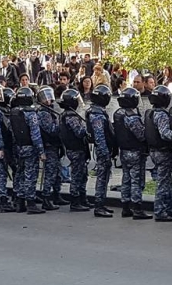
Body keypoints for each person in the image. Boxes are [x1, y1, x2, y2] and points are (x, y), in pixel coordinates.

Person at [114, 87, 152, 220]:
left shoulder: (118, 114)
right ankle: (137, 208)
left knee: (126, 179)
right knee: (136, 180)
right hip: (135, 152)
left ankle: (125, 207)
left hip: (124, 151)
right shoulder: (132, 117)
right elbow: (141, 135)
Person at [8, 87, 45, 213]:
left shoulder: (13, 112)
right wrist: (41, 151)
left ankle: (19, 202)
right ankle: (30, 203)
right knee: (30, 174)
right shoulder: (31, 113)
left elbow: (11, 131)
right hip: (30, 147)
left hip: (18, 147)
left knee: (20, 173)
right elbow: (35, 134)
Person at [58, 90, 93, 213]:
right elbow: (79, 132)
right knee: (77, 176)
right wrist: (88, 129)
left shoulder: (65, 114)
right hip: (76, 149)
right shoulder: (71, 116)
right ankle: (75, 201)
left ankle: (82, 199)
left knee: (82, 175)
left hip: (75, 149)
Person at [86, 85, 116, 218]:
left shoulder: (98, 111)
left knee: (104, 178)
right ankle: (98, 206)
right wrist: (105, 154)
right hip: (103, 150)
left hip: (105, 149)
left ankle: (101, 204)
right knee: (102, 178)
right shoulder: (96, 114)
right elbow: (99, 137)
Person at [35, 87, 63, 210]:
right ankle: (46, 198)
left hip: (54, 145)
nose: (48, 100)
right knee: (50, 173)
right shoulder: (43, 113)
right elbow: (51, 130)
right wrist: (61, 126)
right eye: (44, 98)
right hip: (49, 145)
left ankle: (57, 195)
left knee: (57, 172)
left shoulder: (49, 111)